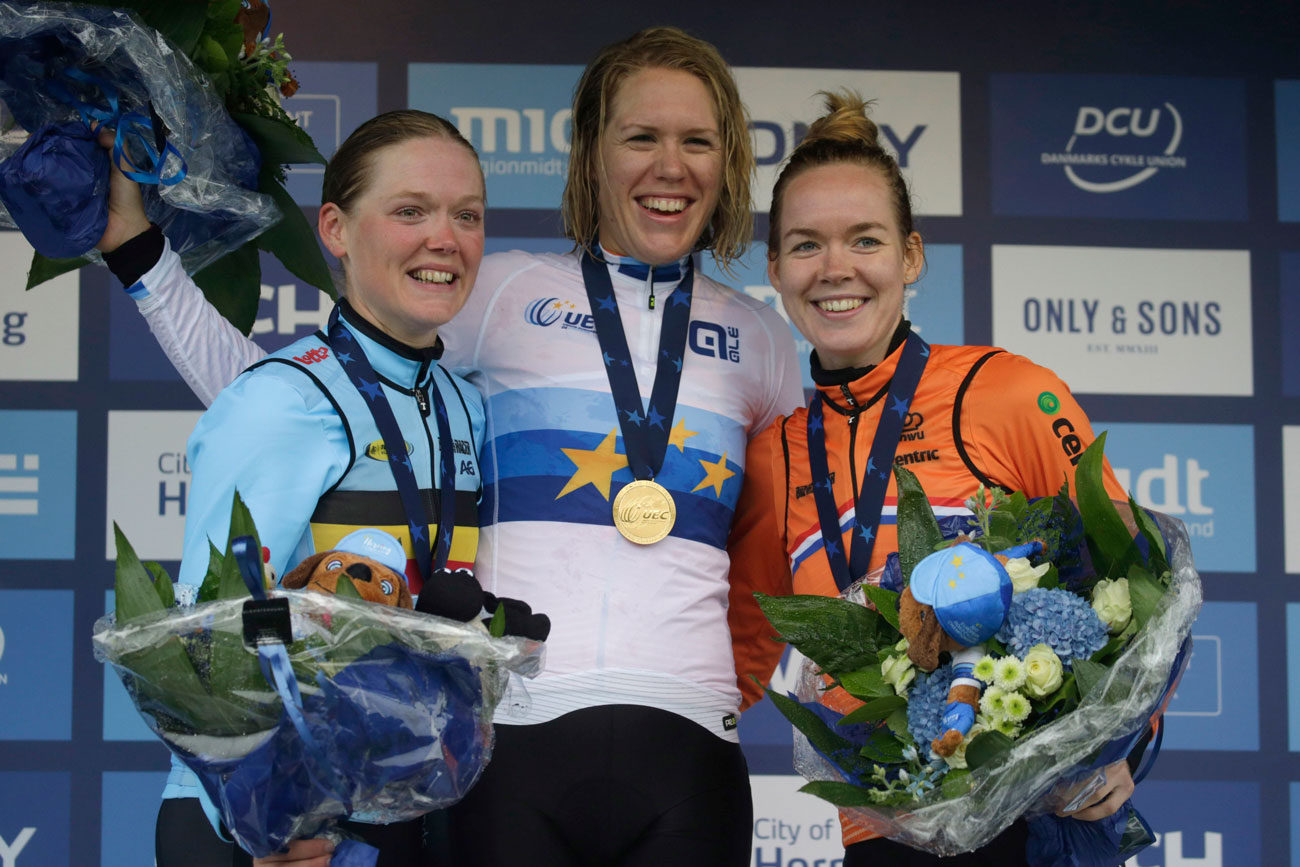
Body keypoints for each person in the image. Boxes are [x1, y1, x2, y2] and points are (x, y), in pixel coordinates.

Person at [111, 27, 803, 866]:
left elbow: (791, 531)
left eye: (696, 140)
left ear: (729, 159)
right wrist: (141, 259)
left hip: (668, 738)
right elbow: (286, 390)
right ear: (593, 155)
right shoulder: (499, 291)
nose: (670, 165)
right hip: (494, 750)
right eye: (641, 137)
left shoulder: (763, 339)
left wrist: (745, 677)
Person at [735, 91, 1139, 866]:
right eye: (807, 245)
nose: (836, 268)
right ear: (776, 269)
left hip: (1027, 816)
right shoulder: (773, 458)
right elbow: (733, 652)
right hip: (883, 830)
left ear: (911, 255)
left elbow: (1133, 576)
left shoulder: (1008, 392)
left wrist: (1126, 739)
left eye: (865, 239)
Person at [99, 109, 490, 867]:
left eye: (466, 215)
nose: (445, 238)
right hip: (270, 826)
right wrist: (266, 816)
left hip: (400, 809)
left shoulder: (463, 406)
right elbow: (205, 641)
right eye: (410, 211)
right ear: (336, 229)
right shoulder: (281, 400)